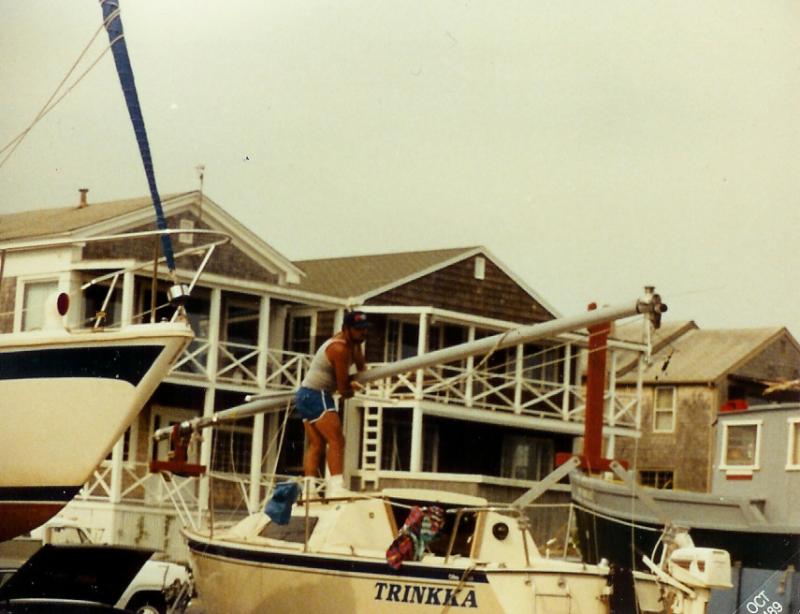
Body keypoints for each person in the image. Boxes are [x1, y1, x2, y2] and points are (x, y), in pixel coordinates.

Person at [294, 310, 369, 496]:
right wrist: (351, 389)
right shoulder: (339, 349)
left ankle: (309, 490)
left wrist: (357, 353)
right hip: (316, 394)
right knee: (337, 440)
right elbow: (343, 390)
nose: (362, 333)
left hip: (304, 394)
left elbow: (361, 368)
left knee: (317, 444)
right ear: (346, 329)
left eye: (364, 329)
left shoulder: (353, 344)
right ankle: (336, 488)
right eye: (358, 329)